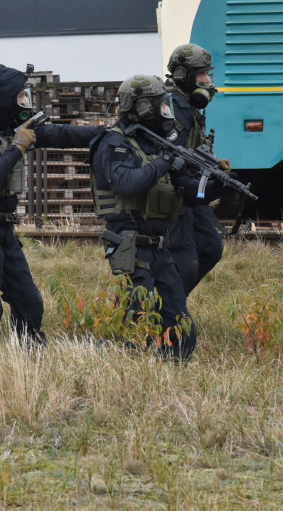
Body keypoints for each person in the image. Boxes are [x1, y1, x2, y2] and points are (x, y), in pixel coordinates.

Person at [0, 64, 102, 343]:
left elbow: (61, 135)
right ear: (4, 98)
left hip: (4, 229)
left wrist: (107, 133)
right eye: (20, 97)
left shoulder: (13, 128)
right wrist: (18, 146)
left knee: (29, 301)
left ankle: (31, 355)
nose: (25, 103)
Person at [90, 74, 197, 360]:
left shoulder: (153, 142)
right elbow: (127, 183)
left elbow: (184, 189)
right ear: (145, 109)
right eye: (163, 106)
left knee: (182, 326)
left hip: (158, 247)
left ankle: (171, 380)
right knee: (138, 317)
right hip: (128, 245)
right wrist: (165, 161)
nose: (168, 112)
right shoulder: (115, 144)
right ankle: (113, 367)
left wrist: (212, 186)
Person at [164, 43, 228, 295]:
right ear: (183, 75)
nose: (207, 81)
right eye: (201, 74)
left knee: (210, 248)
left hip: (188, 189)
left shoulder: (188, 104)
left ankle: (171, 301)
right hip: (175, 192)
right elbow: (172, 157)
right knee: (184, 257)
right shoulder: (174, 107)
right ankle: (163, 306)